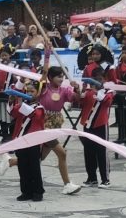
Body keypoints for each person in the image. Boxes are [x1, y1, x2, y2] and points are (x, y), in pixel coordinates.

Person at [36, 66, 82, 195]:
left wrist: (77, 89)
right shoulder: (44, 88)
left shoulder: (64, 90)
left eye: (62, 76)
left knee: (39, 158)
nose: (61, 79)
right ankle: (67, 184)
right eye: (58, 76)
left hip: (55, 125)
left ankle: (11, 162)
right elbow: (41, 81)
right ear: (50, 77)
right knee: (62, 153)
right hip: (44, 124)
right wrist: (46, 63)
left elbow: (76, 98)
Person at [0, 82, 46, 202]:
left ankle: (38, 191)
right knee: (23, 167)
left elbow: (36, 116)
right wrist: (11, 100)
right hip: (20, 140)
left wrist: (20, 102)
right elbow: (12, 113)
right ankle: (26, 191)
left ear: (38, 93)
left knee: (34, 167)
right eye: (27, 91)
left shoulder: (40, 108)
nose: (29, 93)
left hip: (33, 142)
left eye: (32, 91)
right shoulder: (22, 105)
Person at [78, 67, 114, 188]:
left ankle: (105, 179)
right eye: (95, 79)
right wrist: (78, 89)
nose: (97, 81)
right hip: (88, 125)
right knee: (88, 152)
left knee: (102, 152)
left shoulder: (109, 92)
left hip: (101, 125)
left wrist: (96, 89)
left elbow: (105, 101)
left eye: (100, 79)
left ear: (104, 79)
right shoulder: (88, 92)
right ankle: (91, 178)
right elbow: (79, 101)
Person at [0, 49, 18, 141]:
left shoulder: (14, 65)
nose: (4, 57)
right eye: (2, 55)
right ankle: (5, 135)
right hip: (1, 93)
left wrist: (16, 78)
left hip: (11, 93)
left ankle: (12, 135)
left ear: (10, 55)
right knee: (2, 116)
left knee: (12, 114)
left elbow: (18, 79)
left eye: (6, 55)